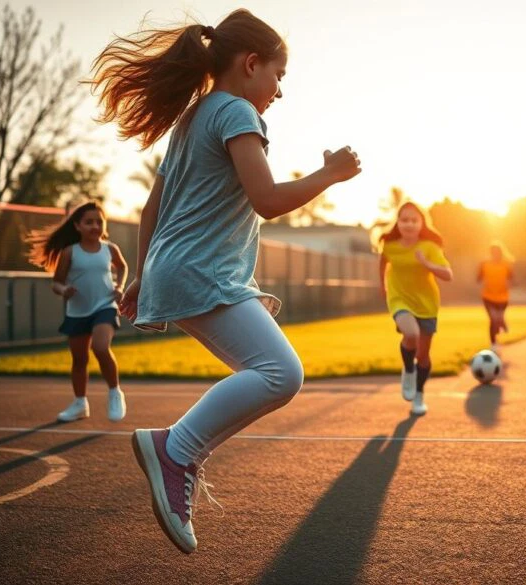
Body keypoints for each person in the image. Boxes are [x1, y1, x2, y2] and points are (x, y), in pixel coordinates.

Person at [90, 9, 361, 553]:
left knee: (263, 368)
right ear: (252, 63)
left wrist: (145, 273)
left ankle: (179, 453)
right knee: (280, 372)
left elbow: (150, 209)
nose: (279, 92)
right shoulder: (237, 111)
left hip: (178, 268)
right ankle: (176, 450)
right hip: (202, 270)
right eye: (278, 76)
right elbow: (266, 200)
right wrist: (329, 175)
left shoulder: (193, 118)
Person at [28, 201, 128, 422]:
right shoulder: (69, 252)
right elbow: (56, 283)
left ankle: (115, 393)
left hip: (105, 306)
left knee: (100, 347)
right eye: (88, 222)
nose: (94, 226)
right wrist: (64, 290)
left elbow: (122, 267)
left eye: (99, 221)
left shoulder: (110, 249)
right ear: (77, 226)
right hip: (78, 311)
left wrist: (119, 287)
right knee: (79, 359)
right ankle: (80, 403)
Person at [378, 202, 453, 415]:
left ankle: (419, 395)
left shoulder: (430, 247)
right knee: (411, 333)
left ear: (421, 223)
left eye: (414, 220)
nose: (409, 224)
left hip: (427, 303)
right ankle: (408, 370)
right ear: (398, 223)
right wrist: (382, 284)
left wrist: (427, 264)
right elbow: (383, 261)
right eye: (404, 220)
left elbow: (449, 274)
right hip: (399, 299)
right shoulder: (390, 245)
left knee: (424, 354)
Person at [477, 241, 514, 352]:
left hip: (503, 297)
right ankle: (493, 343)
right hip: (488, 296)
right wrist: (482, 278)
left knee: (498, 319)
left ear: (501, 253)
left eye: (497, 252)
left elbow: (512, 279)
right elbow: (478, 278)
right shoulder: (484, 264)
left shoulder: (506, 264)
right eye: (493, 252)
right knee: (493, 319)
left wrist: (508, 284)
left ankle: (502, 322)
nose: (495, 254)